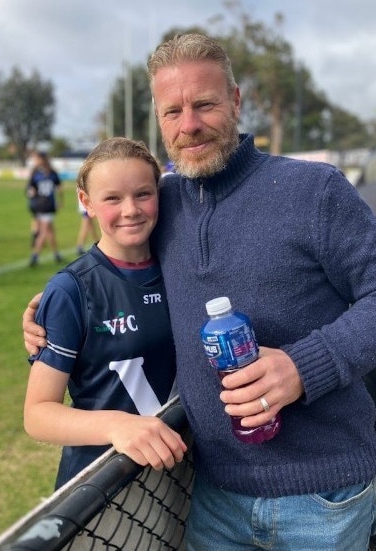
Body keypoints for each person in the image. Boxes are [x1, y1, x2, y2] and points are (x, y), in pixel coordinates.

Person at [23, 34, 376, 550]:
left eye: (204, 104)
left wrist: (305, 366)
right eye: (172, 111)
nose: (188, 125)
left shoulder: (315, 190)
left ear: (235, 100)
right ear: (159, 119)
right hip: (210, 495)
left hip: (323, 497)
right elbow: (110, 266)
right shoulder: (159, 203)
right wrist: (48, 306)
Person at [23, 137, 186, 490]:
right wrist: (117, 425)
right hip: (105, 492)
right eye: (112, 198)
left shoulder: (183, 269)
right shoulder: (71, 289)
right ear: (86, 202)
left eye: (143, 194)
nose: (130, 209)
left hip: (182, 479)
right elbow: (37, 414)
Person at [26, 151, 64, 266]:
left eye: (37, 159)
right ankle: (35, 256)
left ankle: (55, 254)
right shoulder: (50, 173)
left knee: (49, 231)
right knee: (45, 231)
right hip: (44, 205)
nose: (35, 161)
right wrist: (60, 201)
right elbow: (59, 189)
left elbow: (30, 190)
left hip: (43, 205)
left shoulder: (38, 173)